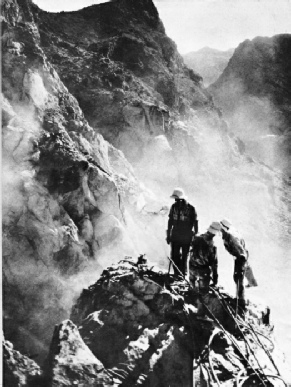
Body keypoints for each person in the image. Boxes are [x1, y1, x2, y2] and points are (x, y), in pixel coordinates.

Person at [166, 188, 198, 277]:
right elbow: (170, 221)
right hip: (175, 234)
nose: (176, 201)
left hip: (186, 235)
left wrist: (195, 237)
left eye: (178, 199)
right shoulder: (173, 207)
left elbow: (195, 222)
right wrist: (168, 235)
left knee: (184, 256)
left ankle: (183, 274)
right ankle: (176, 273)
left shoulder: (191, 208)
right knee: (174, 255)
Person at [220, 219, 249, 310]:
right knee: (236, 277)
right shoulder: (227, 235)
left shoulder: (232, 236)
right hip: (238, 257)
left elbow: (241, 252)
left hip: (241, 257)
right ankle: (239, 298)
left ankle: (241, 301)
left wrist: (240, 264)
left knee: (239, 277)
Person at [188, 222, 220, 294]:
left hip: (192, 268)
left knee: (192, 290)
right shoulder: (212, 245)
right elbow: (214, 264)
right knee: (203, 292)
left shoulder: (196, 237)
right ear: (214, 234)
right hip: (203, 271)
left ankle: (192, 295)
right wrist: (215, 279)